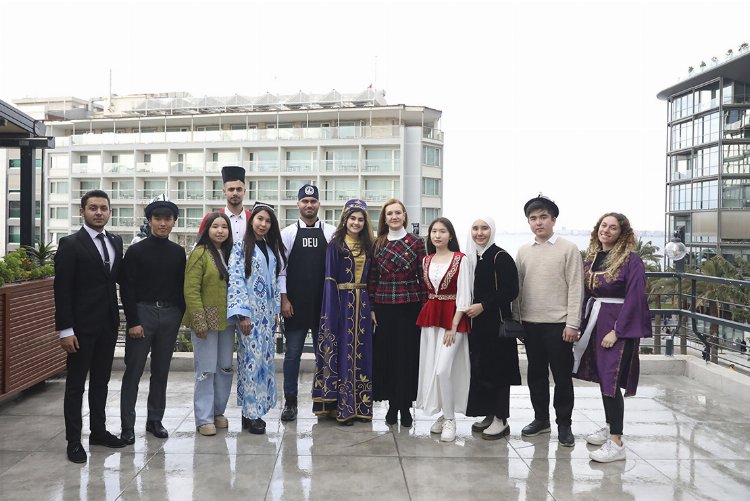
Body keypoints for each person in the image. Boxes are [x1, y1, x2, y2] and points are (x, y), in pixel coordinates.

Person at [54, 189, 126, 464]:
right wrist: (65, 330)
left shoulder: (115, 241)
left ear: (109, 212)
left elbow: (115, 280)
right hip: (80, 328)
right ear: (82, 211)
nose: (98, 212)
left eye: (103, 208)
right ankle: (74, 441)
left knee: (101, 382)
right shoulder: (70, 244)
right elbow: (62, 290)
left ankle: (98, 432)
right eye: (93, 208)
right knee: (76, 385)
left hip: (108, 325)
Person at [574, 212, 651, 463]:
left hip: (617, 325)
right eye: (603, 225)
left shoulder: (631, 260)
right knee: (603, 378)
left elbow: (635, 297)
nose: (606, 230)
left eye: (613, 227)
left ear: (622, 233)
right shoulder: (593, 258)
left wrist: (617, 331)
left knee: (611, 378)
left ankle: (617, 442)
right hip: (596, 322)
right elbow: (586, 294)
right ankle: (610, 426)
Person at [514, 194, 583, 447]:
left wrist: (572, 323)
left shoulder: (568, 248)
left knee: (562, 377)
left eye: (543, 217)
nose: (538, 222)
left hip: (559, 325)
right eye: (533, 218)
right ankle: (541, 419)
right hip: (530, 324)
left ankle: (564, 424)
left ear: (553, 219)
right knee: (536, 375)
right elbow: (518, 288)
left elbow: (576, 287)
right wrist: (516, 320)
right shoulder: (523, 251)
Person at [119, 195, 186, 444]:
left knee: (161, 371)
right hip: (142, 313)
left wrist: (178, 314)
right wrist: (134, 321)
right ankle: (127, 425)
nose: (163, 223)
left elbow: (181, 286)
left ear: (174, 222)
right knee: (133, 371)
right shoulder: (136, 251)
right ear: (149, 221)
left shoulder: (178, 252)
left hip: (170, 315)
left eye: (168, 219)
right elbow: (127, 288)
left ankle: (155, 420)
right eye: (158, 218)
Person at [312, 198, 374, 425]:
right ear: (345, 220)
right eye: (352, 218)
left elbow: (372, 279)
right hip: (340, 303)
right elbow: (329, 280)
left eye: (360, 219)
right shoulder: (335, 245)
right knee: (343, 352)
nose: (356, 223)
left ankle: (361, 406)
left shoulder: (368, 246)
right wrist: (331, 311)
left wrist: (372, 307)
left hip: (363, 305)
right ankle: (343, 408)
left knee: (362, 353)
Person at [278, 184, 336, 421]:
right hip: (295, 306)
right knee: (292, 355)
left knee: (326, 355)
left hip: (324, 306)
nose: (309, 205)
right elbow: (281, 270)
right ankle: (290, 402)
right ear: (298, 204)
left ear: (319, 203)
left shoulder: (331, 232)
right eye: (305, 201)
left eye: (313, 201)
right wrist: (284, 299)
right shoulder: (287, 233)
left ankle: (325, 401)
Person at [227, 202, 286, 434]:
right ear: (252, 220)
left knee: (263, 363)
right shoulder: (240, 247)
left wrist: (276, 311)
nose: (263, 224)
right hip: (249, 317)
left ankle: (254, 411)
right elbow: (236, 281)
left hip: (266, 317)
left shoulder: (270, 249)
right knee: (250, 363)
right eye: (260, 219)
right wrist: (242, 314)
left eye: (268, 221)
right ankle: (250, 414)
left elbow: (273, 282)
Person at [368, 198, 426, 427]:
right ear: (385, 218)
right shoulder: (377, 243)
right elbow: (372, 278)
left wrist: (424, 307)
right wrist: (372, 307)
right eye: (390, 213)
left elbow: (423, 276)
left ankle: (405, 406)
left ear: (404, 216)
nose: (394, 217)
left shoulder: (417, 242)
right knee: (388, 357)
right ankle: (392, 405)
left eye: (398, 213)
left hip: (410, 305)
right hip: (384, 306)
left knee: (407, 357)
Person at [415, 217, 473, 442]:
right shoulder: (426, 260)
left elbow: (464, 295)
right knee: (432, 368)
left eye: (442, 231)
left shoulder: (461, 259)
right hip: (431, 318)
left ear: (450, 236)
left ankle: (450, 419)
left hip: (453, 320)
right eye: (434, 231)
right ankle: (443, 413)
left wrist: (453, 325)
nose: (437, 235)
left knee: (443, 370)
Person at [465, 216, 521, 440]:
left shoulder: (500, 256)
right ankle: (489, 413)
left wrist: (484, 305)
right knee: (482, 369)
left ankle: (501, 418)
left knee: (499, 371)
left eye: (484, 228)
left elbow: (511, 290)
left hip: (496, 324)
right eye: (475, 228)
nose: (479, 233)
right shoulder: (473, 257)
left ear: (492, 230)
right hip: (478, 325)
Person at [184, 212, 235, 436]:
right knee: (206, 370)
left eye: (224, 226)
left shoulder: (231, 254)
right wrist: (199, 321)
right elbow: (191, 290)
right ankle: (204, 418)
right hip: (205, 321)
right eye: (215, 226)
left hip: (228, 321)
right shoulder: (200, 253)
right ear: (207, 229)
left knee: (224, 368)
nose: (220, 231)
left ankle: (217, 412)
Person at [199, 165, 251, 241]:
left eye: (239, 189)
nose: (235, 193)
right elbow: (199, 245)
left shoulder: (252, 219)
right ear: (224, 192)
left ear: (244, 191)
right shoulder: (210, 219)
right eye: (231, 189)